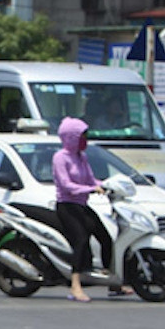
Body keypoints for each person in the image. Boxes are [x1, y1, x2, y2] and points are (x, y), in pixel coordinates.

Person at [53, 116, 116, 302]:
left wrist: (106, 185)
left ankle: (112, 281)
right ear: (71, 137)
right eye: (82, 137)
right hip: (67, 206)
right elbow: (66, 185)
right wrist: (90, 189)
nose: (85, 141)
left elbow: (91, 179)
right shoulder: (60, 158)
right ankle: (75, 285)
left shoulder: (82, 157)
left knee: (105, 237)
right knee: (80, 241)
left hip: (82, 205)